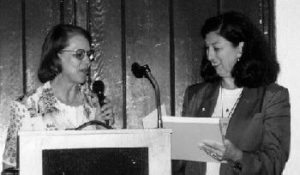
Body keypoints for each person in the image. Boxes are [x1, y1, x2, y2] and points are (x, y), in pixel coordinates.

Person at [173, 11, 290, 175]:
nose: (210, 56)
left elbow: (274, 162)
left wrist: (236, 156)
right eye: (207, 48)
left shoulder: (272, 96)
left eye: (217, 48)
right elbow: (181, 161)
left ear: (240, 48)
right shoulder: (195, 94)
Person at [2, 24, 114, 170]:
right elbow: (9, 170)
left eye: (89, 54)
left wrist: (104, 128)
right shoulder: (26, 106)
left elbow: (107, 164)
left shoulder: (94, 104)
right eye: (79, 54)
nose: (87, 61)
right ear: (57, 56)